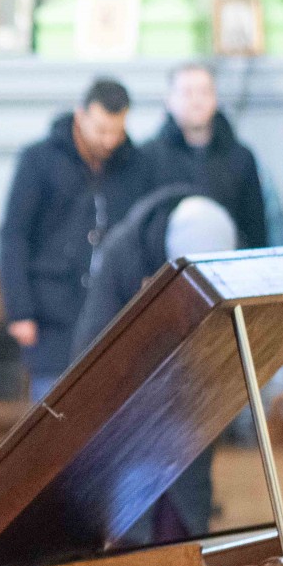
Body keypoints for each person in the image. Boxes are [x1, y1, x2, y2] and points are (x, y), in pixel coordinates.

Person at [70, 189, 238, 540]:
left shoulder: (220, 237)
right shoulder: (123, 254)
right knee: (135, 531)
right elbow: (91, 351)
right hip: (129, 413)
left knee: (184, 526)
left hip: (191, 412)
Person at [0, 77, 153, 401]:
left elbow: (143, 234)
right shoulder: (39, 160)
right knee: (54, 414)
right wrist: (19, 310)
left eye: (117, 131)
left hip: (113, 316)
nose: (109, 140)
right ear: (81, 115)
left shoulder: (136, 166)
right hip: (51, 315)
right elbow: (14, 236)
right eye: (101, 130)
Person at [141, 62, 269, 249]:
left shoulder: (241, 157)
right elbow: (141, 228)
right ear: (169, 100)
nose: (196, 101)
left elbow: (255, 229)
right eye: (187, 93)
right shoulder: (148, 157)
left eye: (204, 92)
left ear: (215, 98)